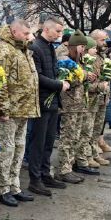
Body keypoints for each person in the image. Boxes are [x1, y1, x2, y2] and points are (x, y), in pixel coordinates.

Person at [0, 20, 39, 206]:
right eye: (25, 34)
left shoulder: (22, 49)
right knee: (6, 150)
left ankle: (14, 186)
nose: (28, 37)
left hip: (23, 109)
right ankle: (2, 189)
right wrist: (3, 109)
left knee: (19, 148)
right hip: (9, 111)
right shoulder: (3, 49)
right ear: (14, 31)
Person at [27, 17, 70, 194]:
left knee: (49, 141)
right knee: (38, 143)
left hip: (52, 101)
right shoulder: (35, 47)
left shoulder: (49, 47)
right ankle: (35, 179)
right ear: (46, 29)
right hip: (41, 102)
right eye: (58, 31)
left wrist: (62, 77)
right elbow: (37, 77)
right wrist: (59, 85)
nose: (60, 34)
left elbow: (52, 71)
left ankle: (45, 174)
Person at [56, 31, 97, 183]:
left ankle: (70, 166)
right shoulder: (64, 59)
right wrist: (85, 75)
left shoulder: (78, 61)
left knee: (75, 137)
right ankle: (63, 170)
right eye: (81, 46)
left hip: (79, 104)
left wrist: (87, 76)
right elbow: (68, 80)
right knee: (67, 137)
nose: (83, 50)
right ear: (74, 46)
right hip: (69, 104)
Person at [89, 29, 111, 154]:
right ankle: (91, 151)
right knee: (90, 127)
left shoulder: (102, 55)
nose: (105, 43)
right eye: (102, 40)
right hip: (92, 96)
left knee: (99, 125)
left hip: (102, 95)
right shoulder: (90, 57)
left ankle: (95, 148)